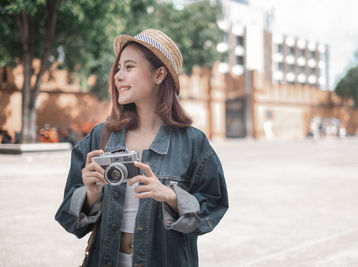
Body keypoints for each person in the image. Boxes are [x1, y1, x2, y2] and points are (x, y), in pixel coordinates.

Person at [55, 28, 229, 267]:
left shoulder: (193, 143)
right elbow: (68, 218)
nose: (118, 76)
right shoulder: (101, 137)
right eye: (118, 68)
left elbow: (214, 207)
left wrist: (171, 196)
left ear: (159, 75)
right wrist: (90, 194)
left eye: (129, 67)